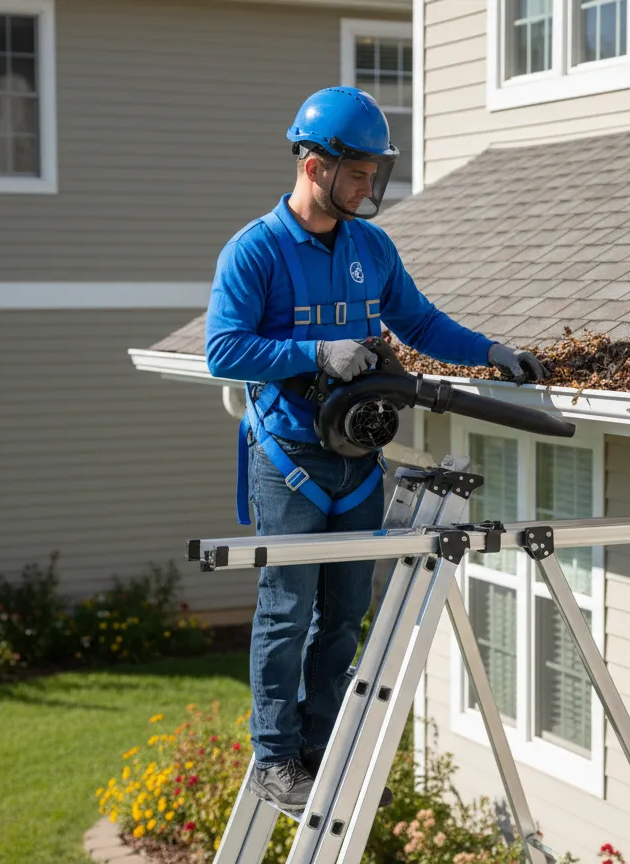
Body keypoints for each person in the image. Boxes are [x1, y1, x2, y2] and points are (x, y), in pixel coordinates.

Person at [203, 86, 547, 813]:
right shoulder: (255, 251)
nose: (368, 188)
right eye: (358, 174)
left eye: (373, 173)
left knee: (345, 613)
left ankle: (323, 750)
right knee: (287, 611)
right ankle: (274, 759)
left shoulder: (371, 247)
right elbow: (223, 351)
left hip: (358, 460)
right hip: (289, 461)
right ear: (314, 166)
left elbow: (419, 322)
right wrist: (315, 352)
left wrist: (490, 352)